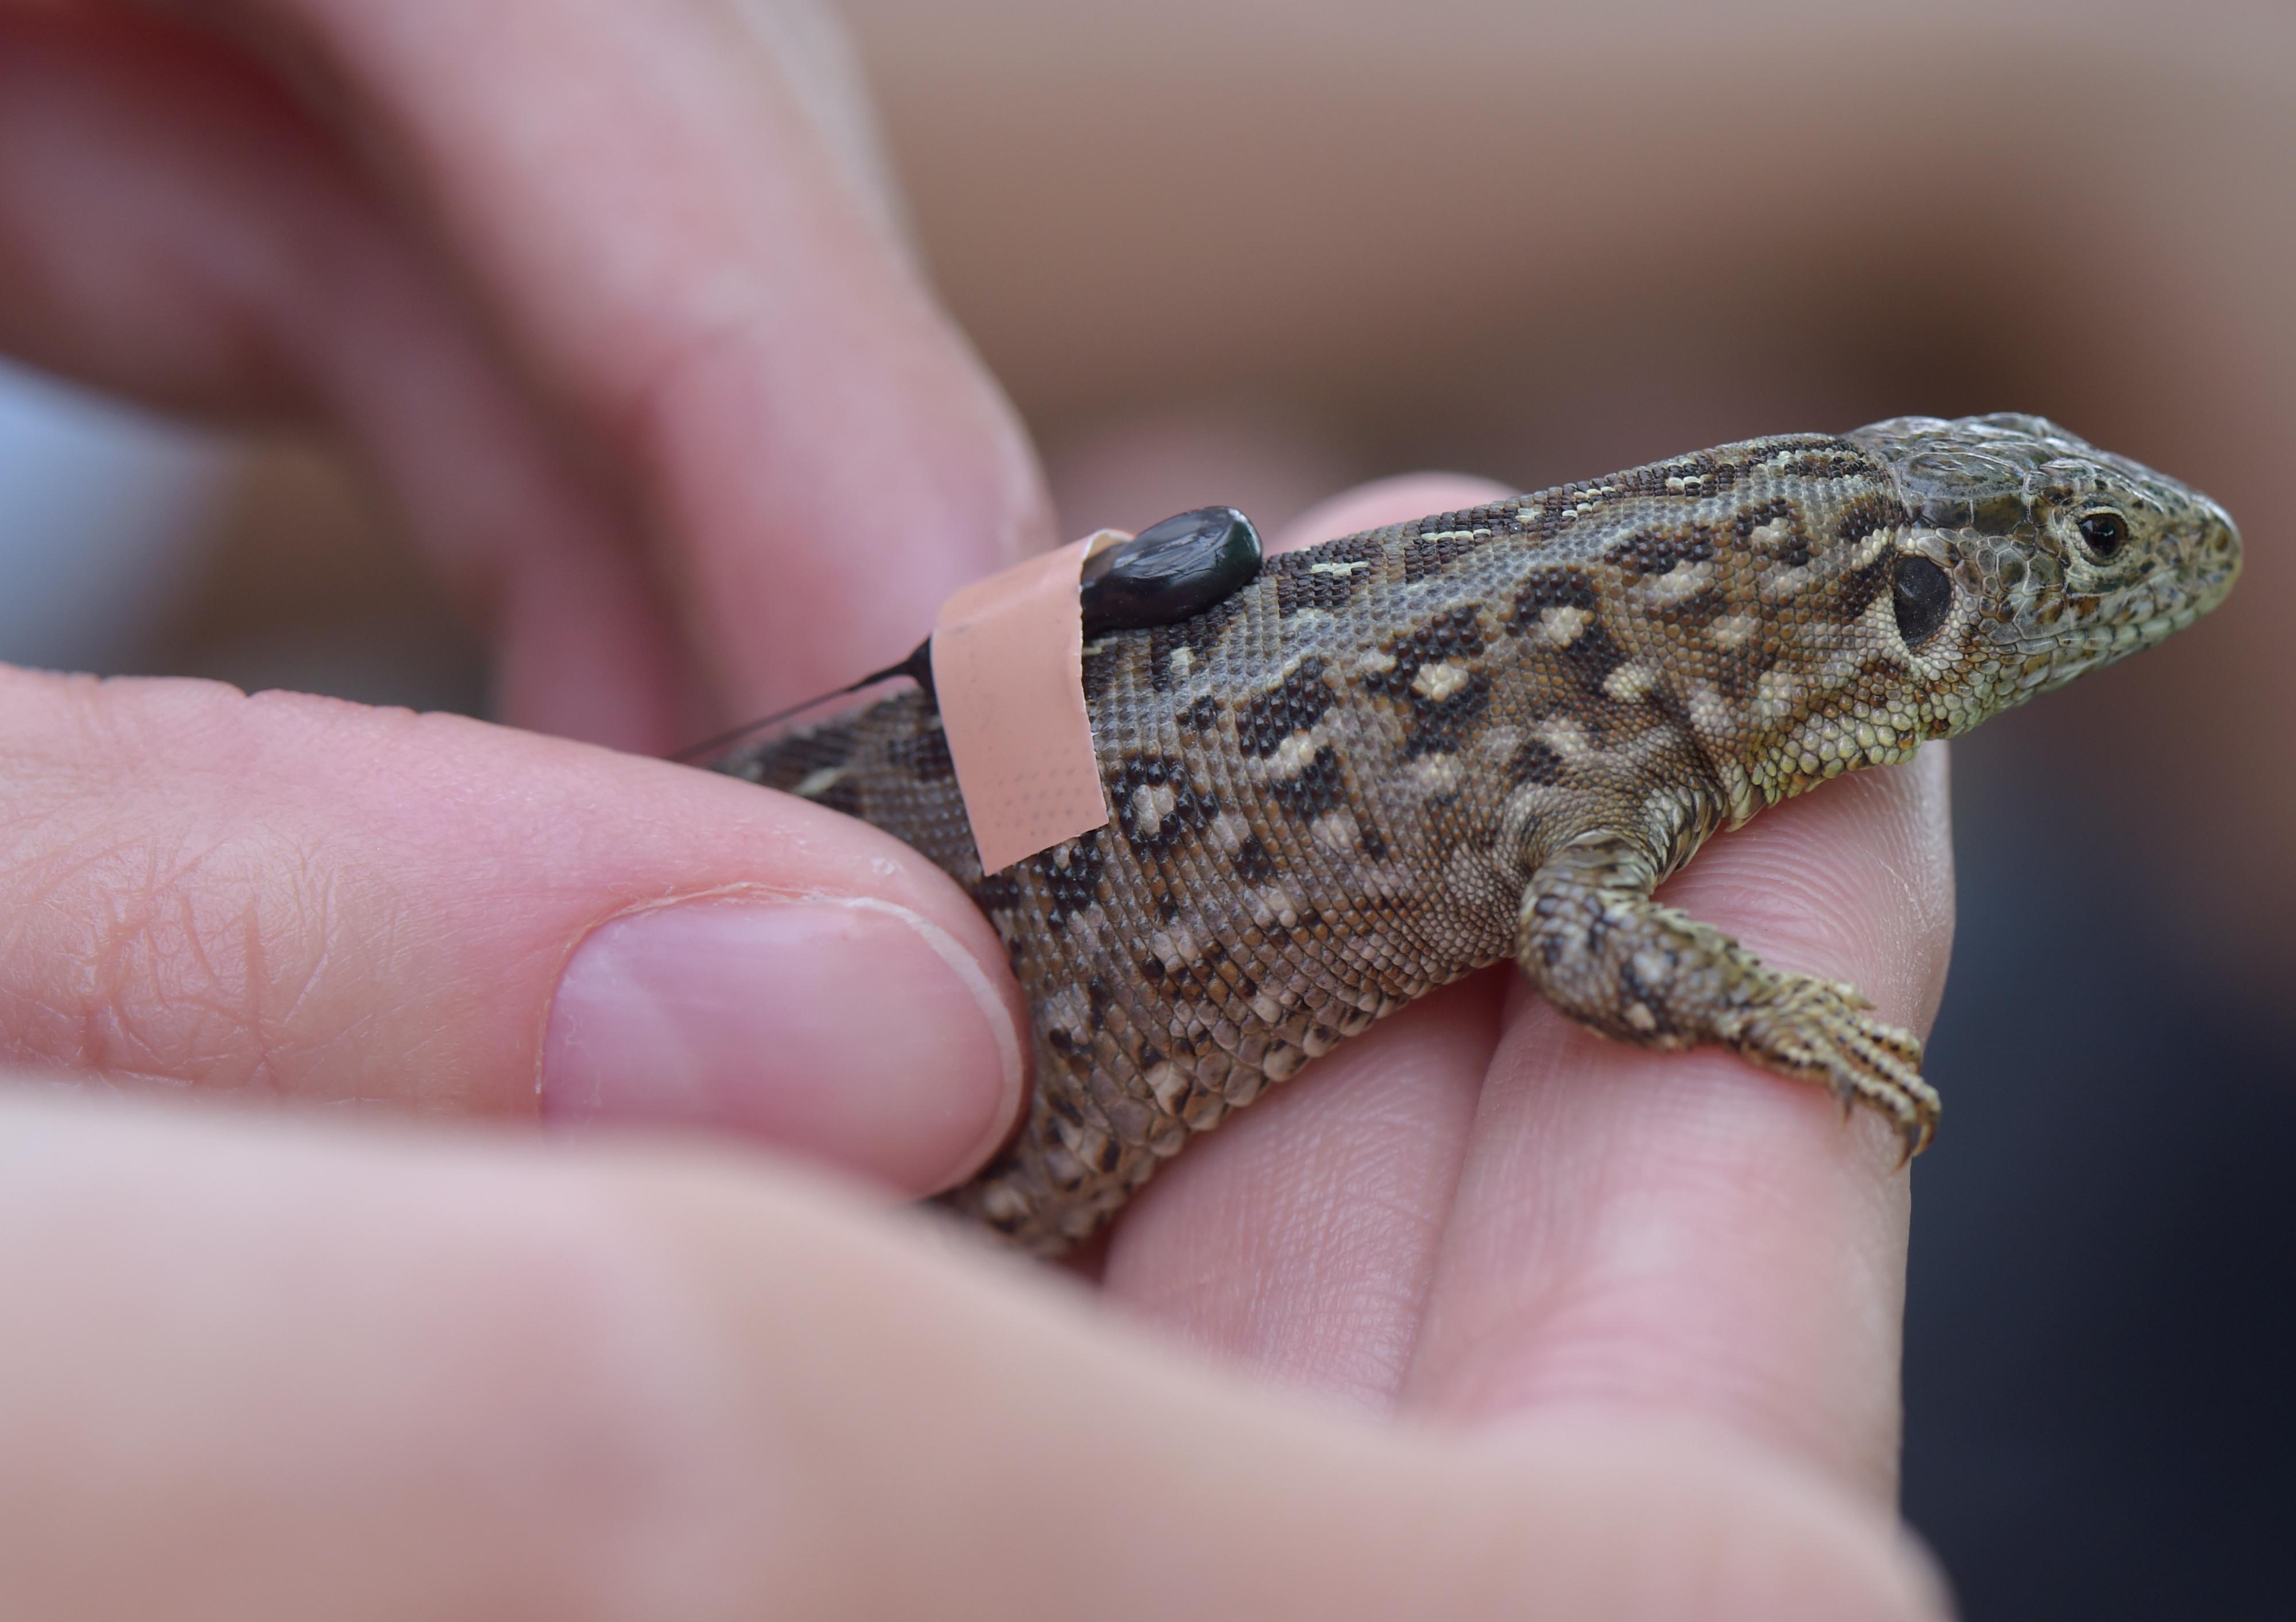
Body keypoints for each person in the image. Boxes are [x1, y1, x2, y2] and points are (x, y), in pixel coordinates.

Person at [0, 3, 1951, 1615]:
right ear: (1913, 611)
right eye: (2077, 558)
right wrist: (1779, 1013)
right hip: (889, 1146)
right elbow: (1581, 940)